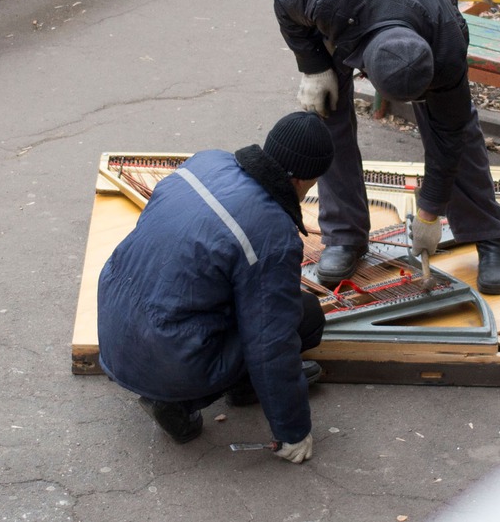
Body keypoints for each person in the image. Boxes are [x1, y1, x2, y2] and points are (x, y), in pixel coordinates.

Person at [274, 0, 500, 296]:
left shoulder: (447, 40)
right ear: (364, 68)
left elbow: (448, 136)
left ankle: (490, 235)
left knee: (456, 129)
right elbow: (284, 0)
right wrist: (315, 67)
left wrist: (429, 212)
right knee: (327, 109)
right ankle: (344, 237)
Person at [97, 112, 335, 464]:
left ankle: (240, 386)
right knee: (305, 317)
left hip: (113, 318)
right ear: (304, 180)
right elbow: (271, 343)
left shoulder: (206, 162)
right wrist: (292, 430)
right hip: (166, 355)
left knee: (236, 297)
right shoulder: (272, 233)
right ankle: (179, 404)